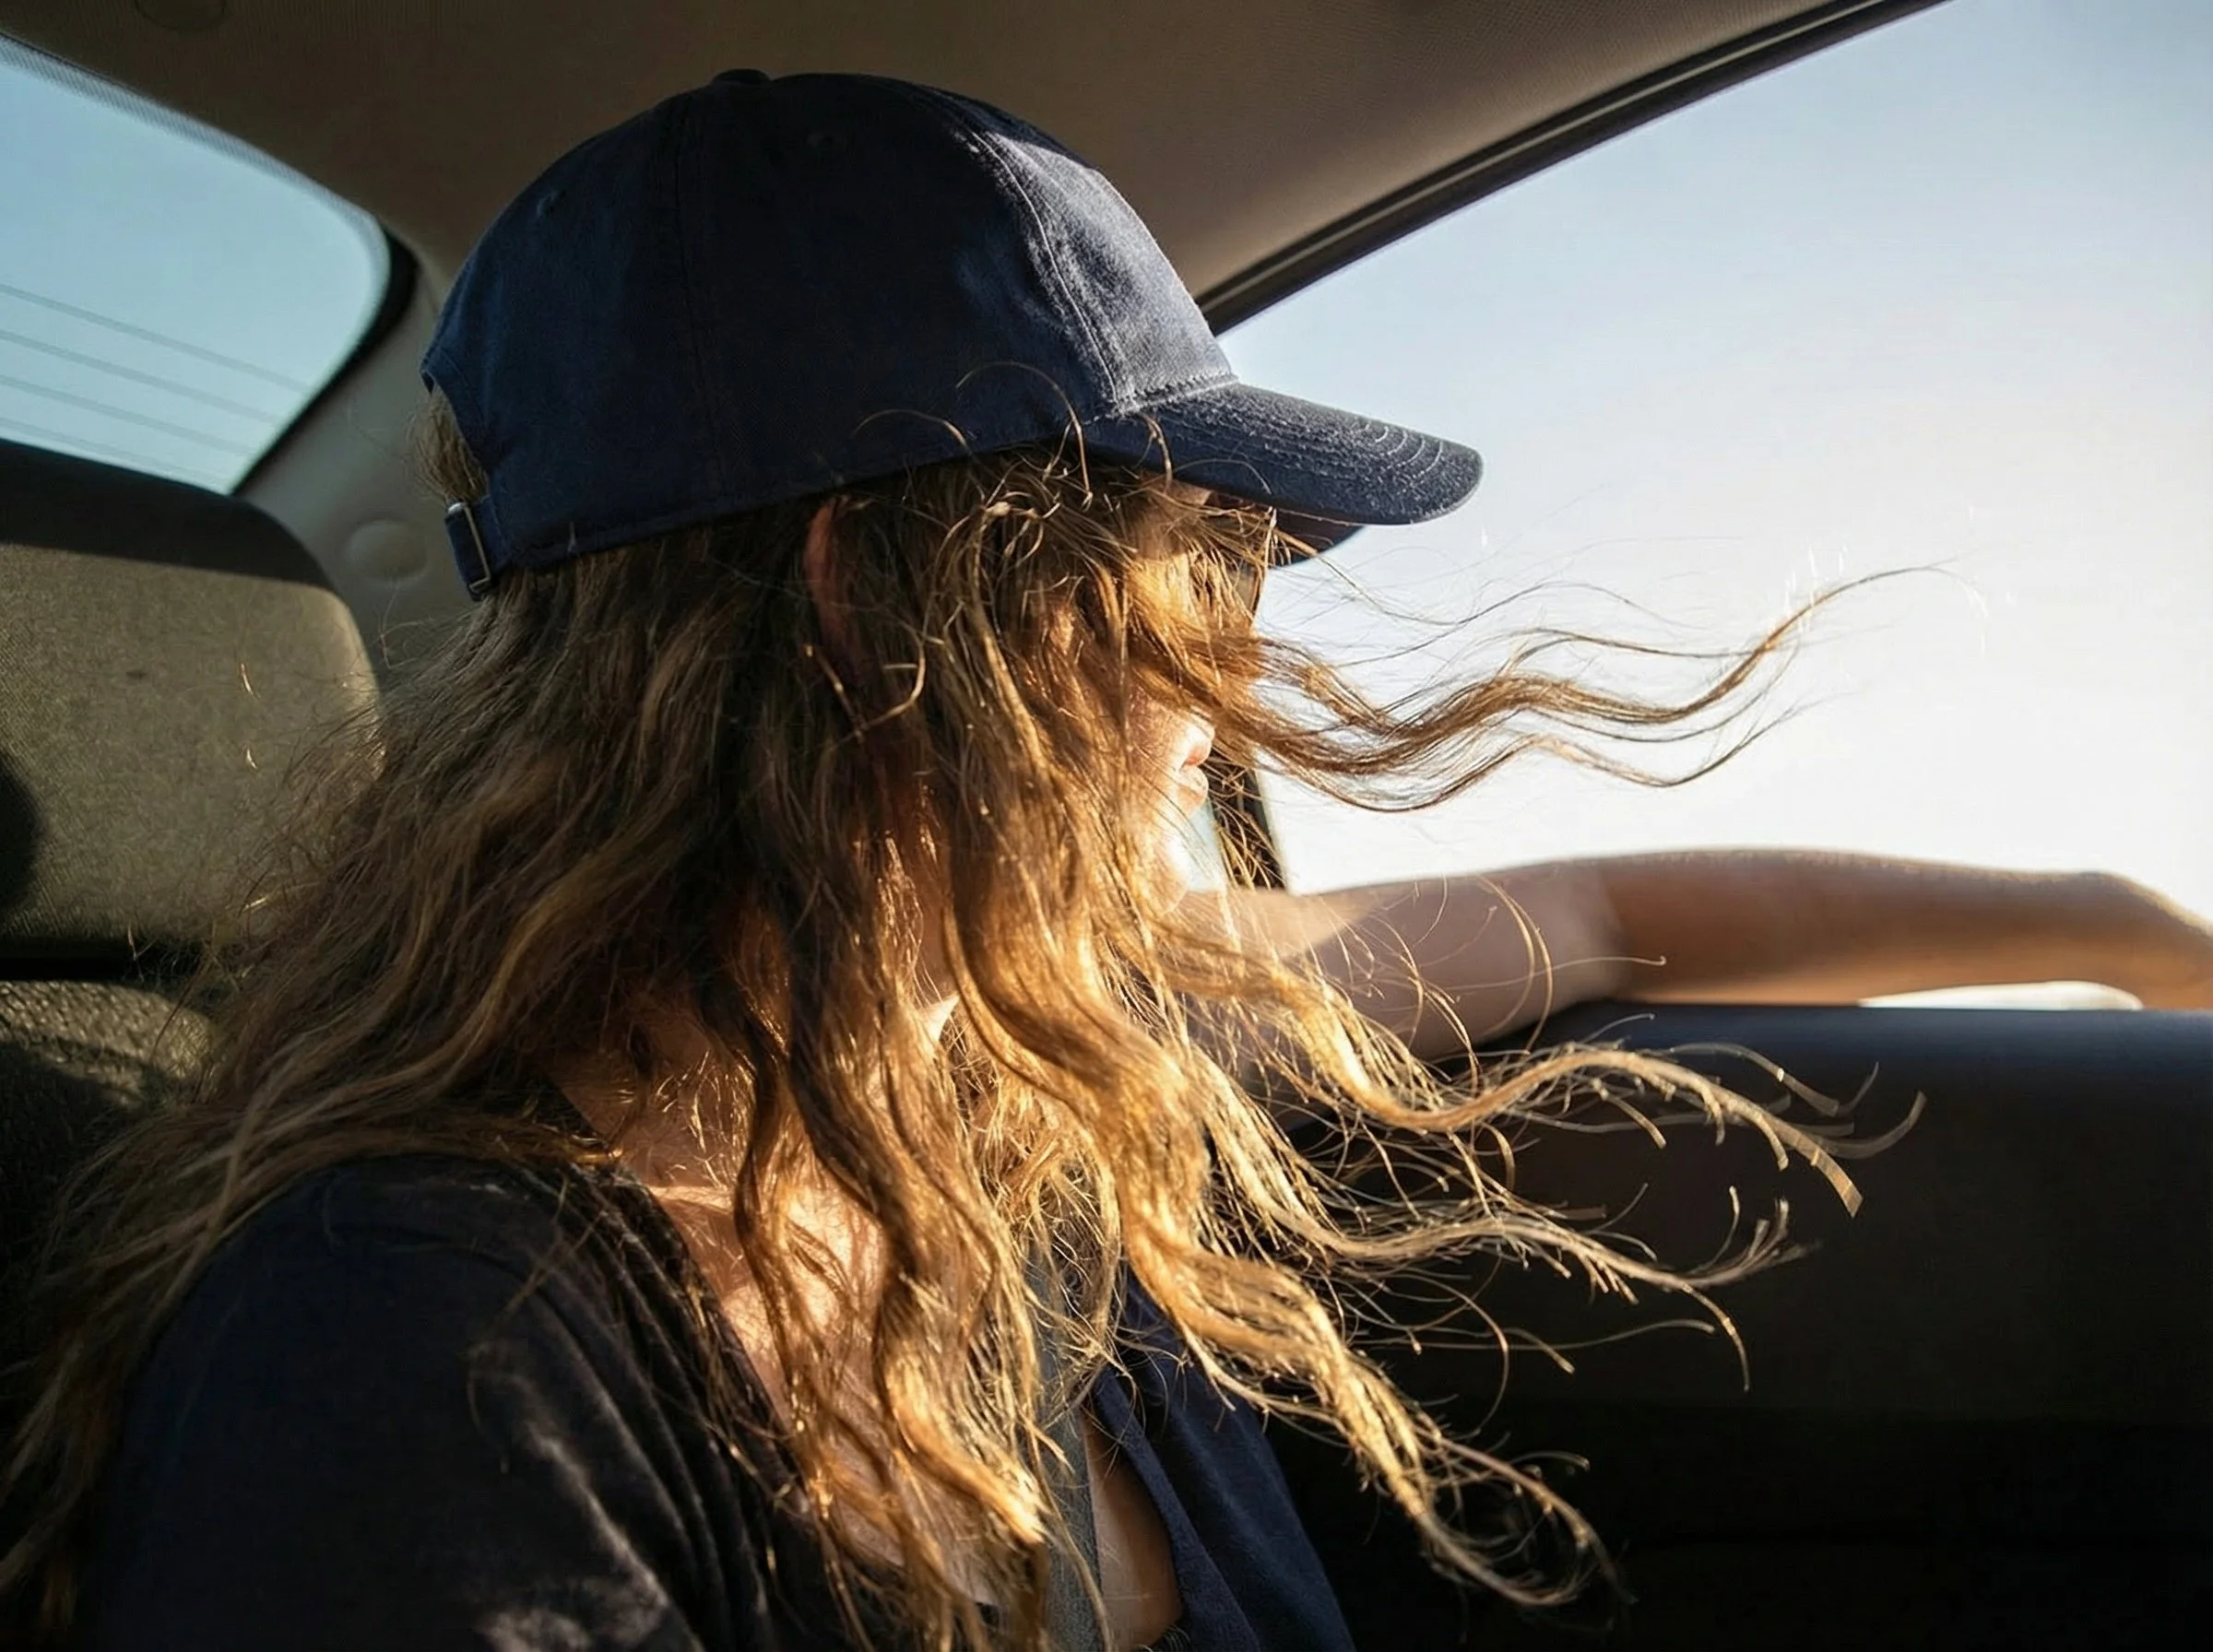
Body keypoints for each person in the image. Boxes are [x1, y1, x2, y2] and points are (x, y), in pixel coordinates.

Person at [4, 70, 2207, 1652]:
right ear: (886, 602)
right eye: (1195, 552)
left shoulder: (1026, 1039)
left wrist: (2129, 930)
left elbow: (1634, 915)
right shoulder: (425, 1353)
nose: (1241, 647)